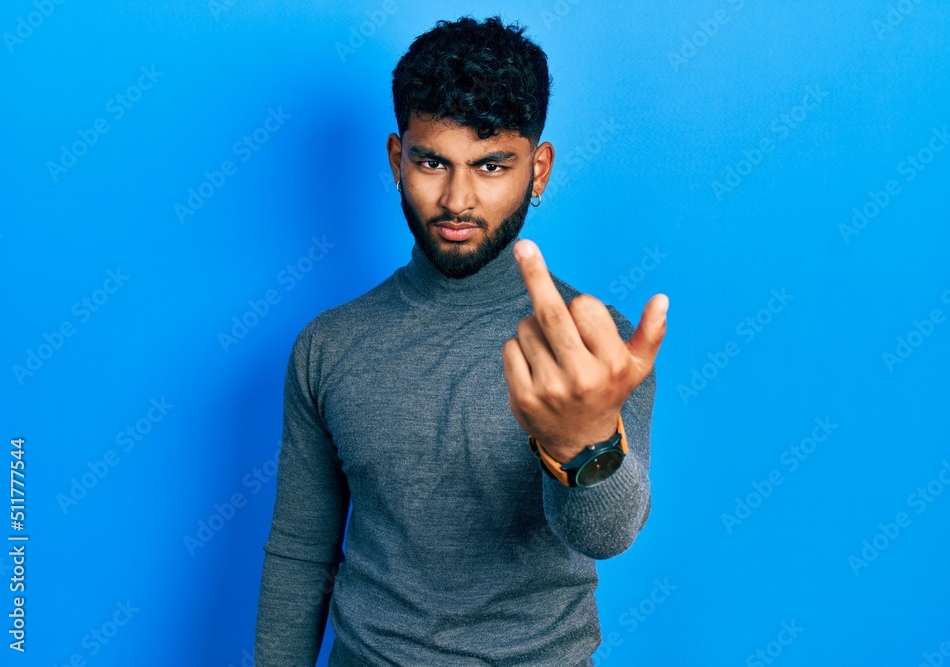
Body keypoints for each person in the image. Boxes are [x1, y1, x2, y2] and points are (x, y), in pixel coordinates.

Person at [255, 15, 668, 666]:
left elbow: (608, 533)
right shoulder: (327, 346)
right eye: (431, 161)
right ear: (398, 160)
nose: (457, 198)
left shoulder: (596, 344)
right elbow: (301, 552)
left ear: (538, 169)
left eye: (492, 165)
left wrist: (582, 446)